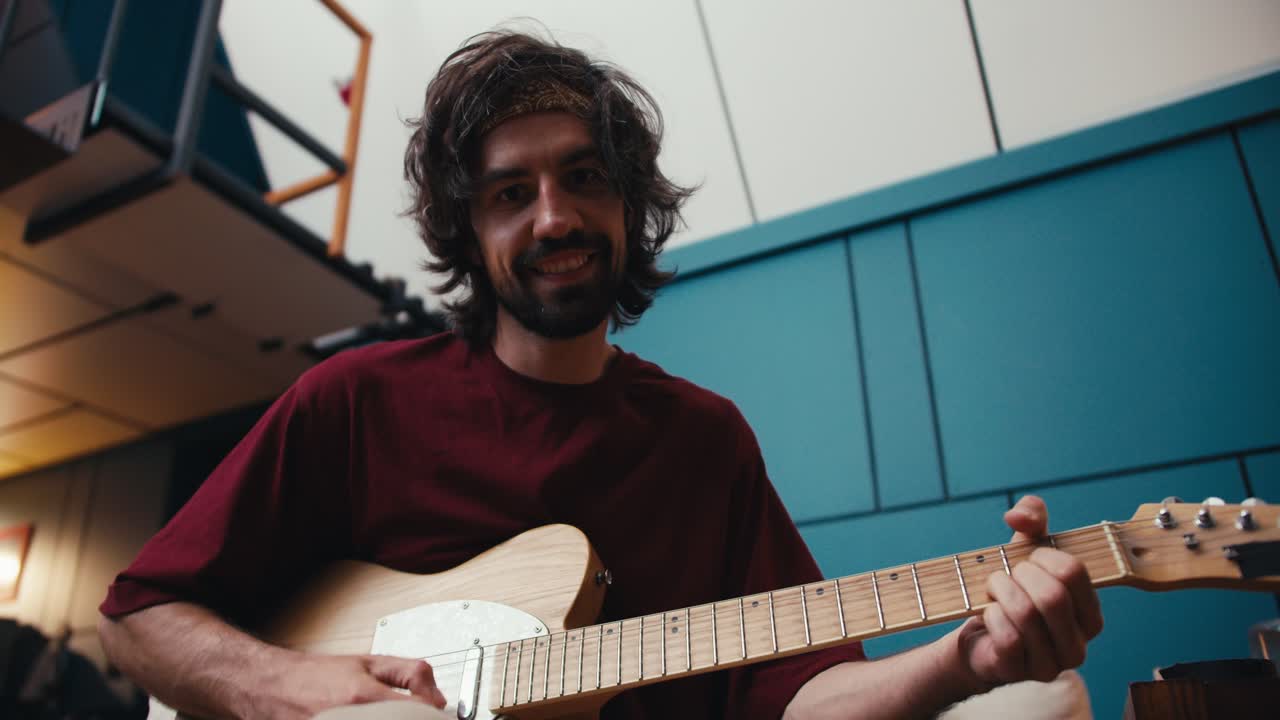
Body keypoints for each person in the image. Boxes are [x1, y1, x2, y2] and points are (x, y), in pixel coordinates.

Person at [97, 30, 1102, 720]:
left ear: (630, 207)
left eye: (583, 177)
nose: (553, 216)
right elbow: (140, 623)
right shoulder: (356, 403)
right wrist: (289, 688)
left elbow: (801, 698)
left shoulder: (703, 442)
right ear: (466, 228)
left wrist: (962, 664)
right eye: (508, 192)